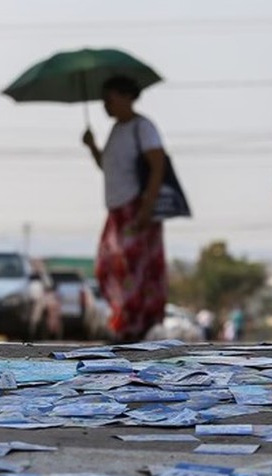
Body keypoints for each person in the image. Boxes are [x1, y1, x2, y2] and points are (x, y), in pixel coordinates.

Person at [82, 75, 168, 343]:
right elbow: (109, 168)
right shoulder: (117, 130)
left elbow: (157, 165)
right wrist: (92, 147)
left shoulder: (142, 127)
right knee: (110, 268)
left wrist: (147, 207)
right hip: (116, 210)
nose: (105, 105)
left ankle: (133, 328)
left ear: (126, 96)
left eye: (109, 99)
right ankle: (126, 322)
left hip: (136, 209)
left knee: (132, 271)